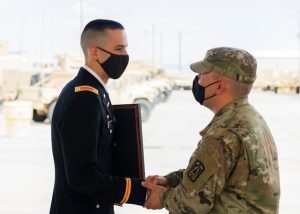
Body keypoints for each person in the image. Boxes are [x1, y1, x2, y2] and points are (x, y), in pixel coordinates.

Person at [142, 47, 280, 213]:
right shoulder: (249, 117)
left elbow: (192, 203)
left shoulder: (223, 133)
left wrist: (163, 197)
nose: (197, 79)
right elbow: (214, 175)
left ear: (219, 87)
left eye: (202, 74)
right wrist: (170, 180)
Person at [50, 19, 146, 214]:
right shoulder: (83, 98)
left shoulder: (95, 92)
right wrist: (139, 192)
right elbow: (82, 176)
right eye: (118, 49)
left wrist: (138, 182)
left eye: (126, 48)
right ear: (94, 52)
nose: (125, 55)